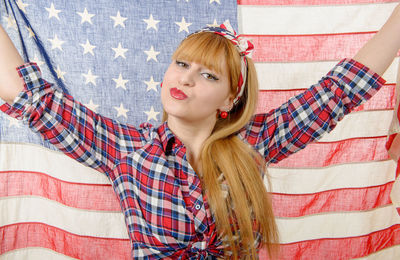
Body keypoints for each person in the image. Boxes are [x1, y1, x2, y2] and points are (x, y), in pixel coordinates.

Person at [1, 3, 400, 259]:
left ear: (229, 101)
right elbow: (34, 101)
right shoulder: (128, 149)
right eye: (181, 64)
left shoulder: (255, 144)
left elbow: (339, 92)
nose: (185, 78)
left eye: (207, 74)